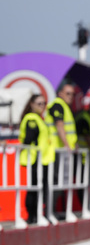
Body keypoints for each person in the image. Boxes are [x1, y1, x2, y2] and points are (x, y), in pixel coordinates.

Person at [18, 94, 54, 224]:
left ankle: (36, 215)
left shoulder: (39, 118)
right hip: (34, 159)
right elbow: (29, 139)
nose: (42, 106)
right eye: (39, 103)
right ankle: (32, 216)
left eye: (44, 103)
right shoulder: (32, 118)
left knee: (38, 187)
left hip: (41, 159)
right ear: (32, 104)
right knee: (34, 188)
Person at [45, 83, 78, 218]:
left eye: (73, 94)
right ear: (60, 93)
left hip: (62, 151)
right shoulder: (57, 105)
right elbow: (59, 125)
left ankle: (53, 212)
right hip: (56, 151)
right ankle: (49, 212)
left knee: (61, 183)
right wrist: (67, 145)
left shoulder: (65, 107)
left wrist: (73, 145)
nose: (71, 97)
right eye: (68, 93)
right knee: (55, 182)